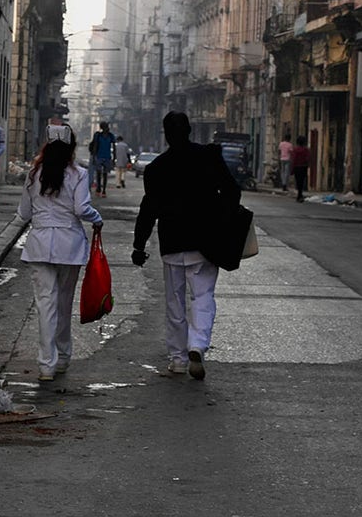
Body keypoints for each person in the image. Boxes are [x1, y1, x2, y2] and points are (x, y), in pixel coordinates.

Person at [131, 111, 241, 380]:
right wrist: (223, 217)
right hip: (205, 242)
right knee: (203, 297)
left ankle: (178, 359)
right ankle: (198, 345)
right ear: (190, 130)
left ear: (166, 135)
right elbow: (232, 190)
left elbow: (148, 209)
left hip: (172, 244)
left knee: (175, 303)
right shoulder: (209, 157)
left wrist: (139, 245)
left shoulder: (157, 168)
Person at [18, 123, 104, 382]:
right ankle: (63, 357)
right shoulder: (78, 174)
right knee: (64, 304)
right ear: (71, 147)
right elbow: (81, 209)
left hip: (40, 244)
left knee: (46, 305)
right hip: (69, 246)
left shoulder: (34, 173)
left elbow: (24, 213)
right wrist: (97, 218)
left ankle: (46, 364)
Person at [89, 122, 116, 196]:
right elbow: (95, 146)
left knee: (105, 174)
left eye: (107, 127)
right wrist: (94, 157)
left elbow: (114, 147)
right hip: (99, 156)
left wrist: (114, 158)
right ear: (102, 128)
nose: (107, 128)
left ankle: (104, 190)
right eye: (105, 127)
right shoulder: (98, 135)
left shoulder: (111, 136)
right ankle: (98, 188)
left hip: (107, 157)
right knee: (98, 173)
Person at [291, 135, 311, 202]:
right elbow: (308, 158)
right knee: (302, 181)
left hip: (297, 167)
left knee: (298, 181)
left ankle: (299, 195)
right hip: (303, 167)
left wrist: (292, 169)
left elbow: (294, 159)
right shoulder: (306, 150)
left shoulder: (295, 149)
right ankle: (300, 194)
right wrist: (308, 165)